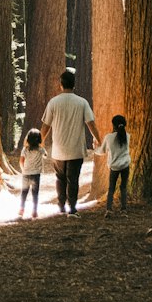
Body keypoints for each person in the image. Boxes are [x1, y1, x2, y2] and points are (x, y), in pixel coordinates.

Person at [41, 69, 100, 216]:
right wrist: (98, 139)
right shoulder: (82, 102)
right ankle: (72, 208)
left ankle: (61, 205)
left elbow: (45, 125)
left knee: (60, 178)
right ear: (74, 85)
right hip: (76, 149)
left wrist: (40, 142)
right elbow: (90, 123)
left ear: (61, 85)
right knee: (73, 179)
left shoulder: (53, 102)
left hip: (58, 149)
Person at [18, 128, 48, 219]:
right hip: (36, 174)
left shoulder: (25, 150)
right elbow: (46, 156)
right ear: (39, 139)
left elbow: (21, 161)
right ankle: (34, 211)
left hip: (26, 174)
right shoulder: (40, 150)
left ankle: (21, 209)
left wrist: (23, 170)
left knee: (24, 192)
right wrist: (42, 147)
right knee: (35, 193)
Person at [104, 113, 131, 211]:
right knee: (123, 187)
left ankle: (109, 209)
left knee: (111, 188)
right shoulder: (127, 136)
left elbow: (103, 151)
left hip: (114, 166)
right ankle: (124, 208)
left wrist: (96, 149)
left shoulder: (108, 137)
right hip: (125, 165)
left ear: (113, 125)